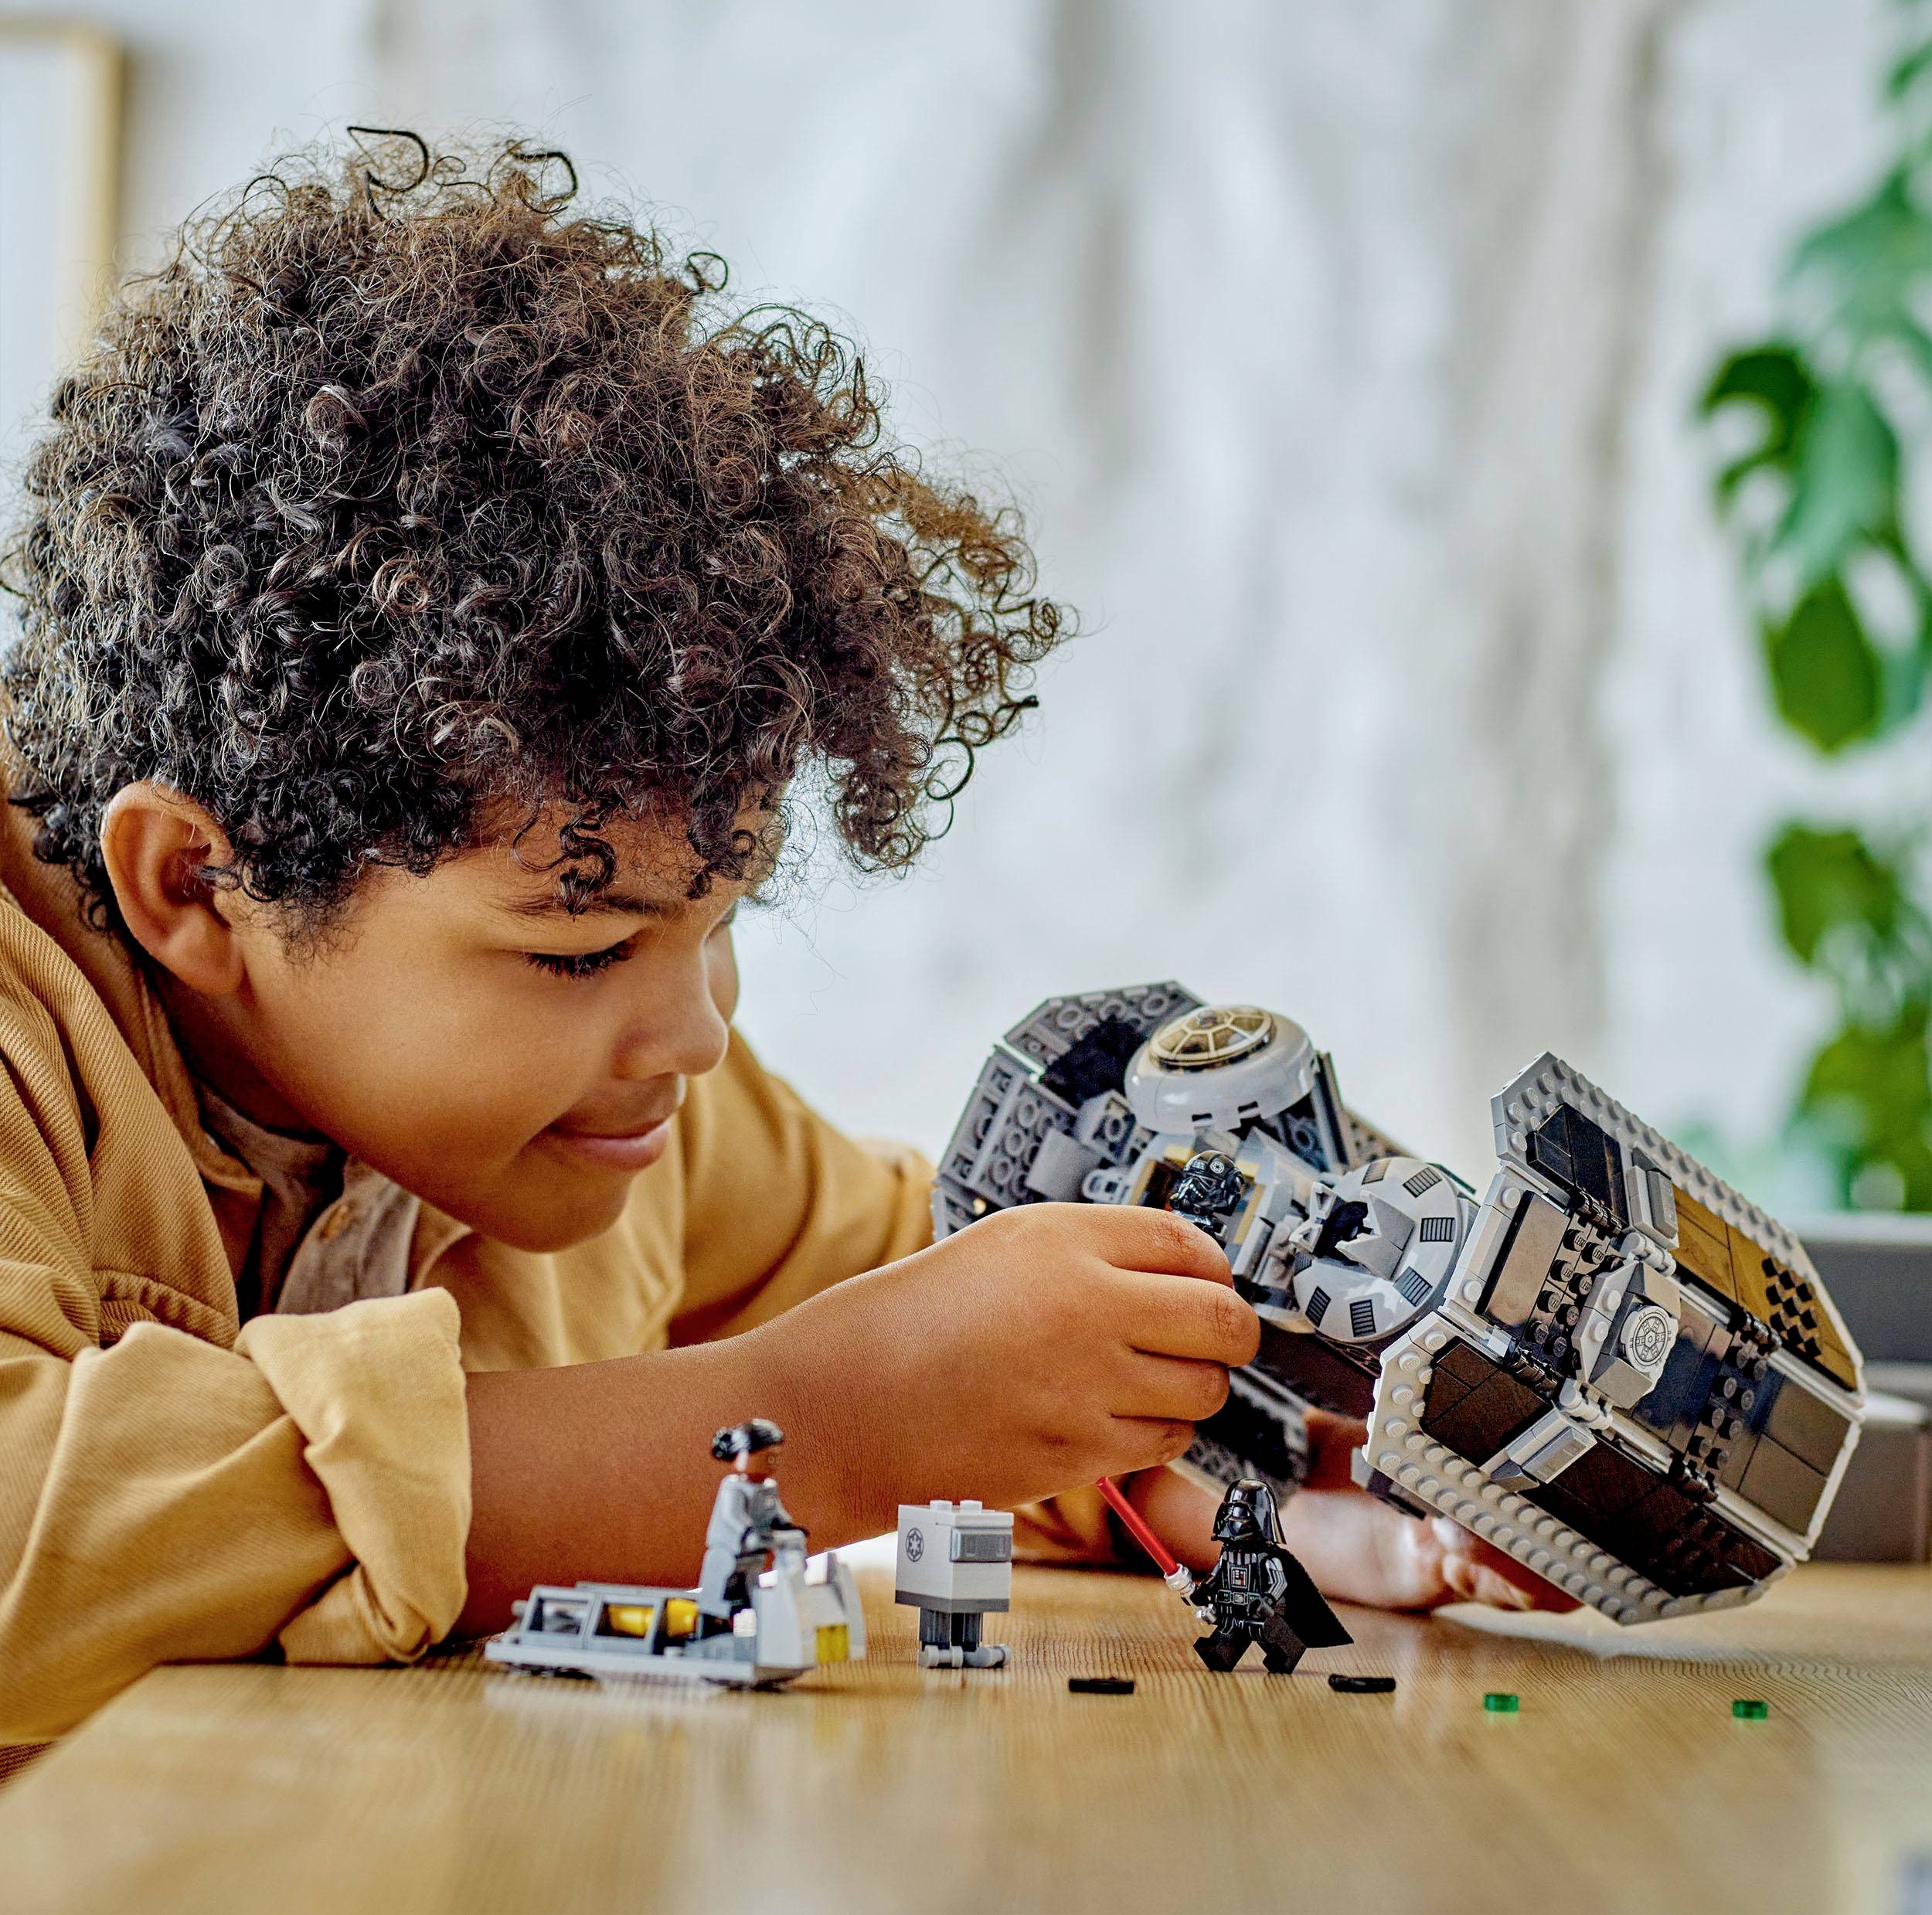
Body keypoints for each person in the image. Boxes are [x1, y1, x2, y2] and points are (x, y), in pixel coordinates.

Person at [0, 130, 1565, 1746]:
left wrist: (1254, 1480)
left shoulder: (621, 1114)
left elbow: (930, 1299)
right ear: (197, 884)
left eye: (719, 917)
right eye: (578, 946)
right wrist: (809, 1420)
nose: (692, 1031)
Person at [1189, 1479, 1352, 1675]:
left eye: (1239, 1514)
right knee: (1223, 1641)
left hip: (1262, 1610)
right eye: (1229, 1513)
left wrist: (1266, 1601)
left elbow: (1278, 1582)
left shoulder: (1268, 1558)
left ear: (1258, 1519)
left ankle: (1288, 1652)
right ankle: (1225, 1654)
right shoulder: (1227, 1554)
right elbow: (1216, 1576)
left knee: (1272, 1637)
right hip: (1233, 1607)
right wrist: (1204, 1590)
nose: (1231, 1521)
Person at [696, 1420, 799, 1623]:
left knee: (751, 1581)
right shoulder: (733, 1487)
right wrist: (749, 1531)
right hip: (729, 1547)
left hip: (755, 1548)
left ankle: (755, 1605)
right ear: (740, 1455)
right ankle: (710, 1618)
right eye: (766, 1458)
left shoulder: (769, 1486)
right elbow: (733, 1516)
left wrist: (786, 1524)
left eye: (775, 1458)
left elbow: (775, 1510)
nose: (772, 1463)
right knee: (721, 1583)